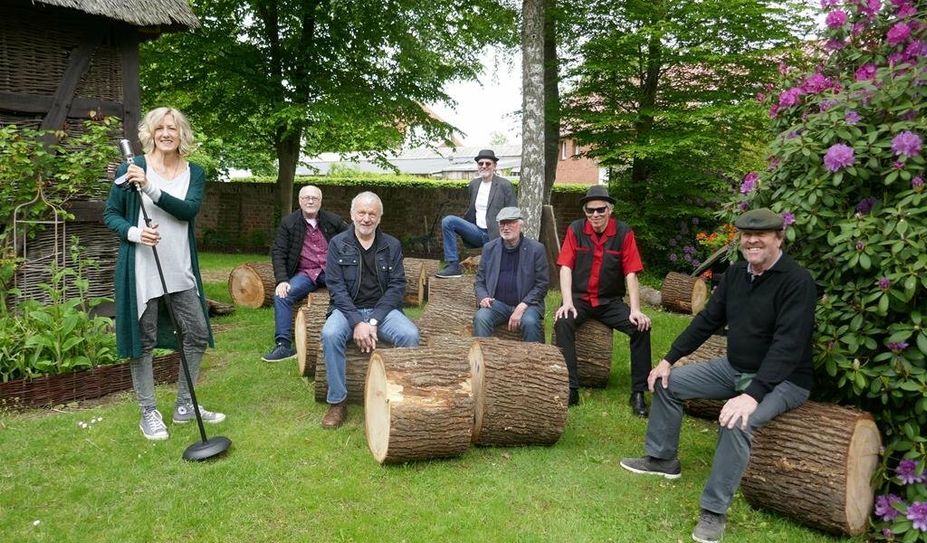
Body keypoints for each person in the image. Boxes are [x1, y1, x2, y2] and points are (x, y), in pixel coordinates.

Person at [620, 208, 816, 543]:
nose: (751, 241)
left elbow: (787, 347)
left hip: (784, 380)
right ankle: (663, 459)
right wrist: (669, 359)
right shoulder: (737, 274)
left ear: (778, 238)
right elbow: (706, 321)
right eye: (745, 235)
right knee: (669, 383)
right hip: (734, 368)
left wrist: (752, 395)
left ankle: (714, 511)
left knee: (737, 421)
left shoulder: (797, 282)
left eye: (761, 235)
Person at [103, 107, 224, 441]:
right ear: (151, 133)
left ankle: (185, 404)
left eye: (173, 128)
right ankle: (148, 412)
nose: (167, 134)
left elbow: (188, 211)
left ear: (181, 133)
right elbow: (111, 214)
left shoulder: (193, 172)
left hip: (179, 267)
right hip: (143, 268)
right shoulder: (133, 167)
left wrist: (151, 190)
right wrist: (134, 233)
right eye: (160, 129)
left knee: (198, 333)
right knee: (143, 342)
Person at [319, 191, 420, 428]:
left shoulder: (391, 245)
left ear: (379, 217)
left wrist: (372, 321)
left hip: (382, 312)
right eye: (361, 213)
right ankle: (337, 402)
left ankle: (400, 395)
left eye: (372, 213)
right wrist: (357, 321)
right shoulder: (338, 244)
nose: (366, 218)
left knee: (410, 335)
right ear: (352, 215)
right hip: (347, 311)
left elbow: (397, 287)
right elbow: (335, 286)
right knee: (330, 334)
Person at [554, 185, 652, 414]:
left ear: (610, 209)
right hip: (579, 299)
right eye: (590, 211)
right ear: (585, 212)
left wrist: (635, 309)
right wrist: (567, 302)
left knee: (641, 328)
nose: (595, 215)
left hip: (609, 302)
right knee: (563, 323)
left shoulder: (624, 233)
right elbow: (565, 266)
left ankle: (638, 393)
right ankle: (571, 388)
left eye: (600, 210)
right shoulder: (575, 229)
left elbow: (631, 272)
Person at [261, 185, 347, 362]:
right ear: (299, 201)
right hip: (307, 273)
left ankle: (350, 334)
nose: (310, 201)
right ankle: (284, 346)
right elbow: (278, 252)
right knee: (282, 296)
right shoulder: (289, 223)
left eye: (314, 198)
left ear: (320, 201)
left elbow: (353, 238)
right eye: (306, 197)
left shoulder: (333, 220)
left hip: (332, 271)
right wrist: (282, 280)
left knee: (349, 293)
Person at [435, 149, 516, 278]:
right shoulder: (474, 184)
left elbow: (513, 213)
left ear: (494, 166)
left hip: (496, 235)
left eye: (488, 164)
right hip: (477, 233)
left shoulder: (505, 185)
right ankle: (453, 266)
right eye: (480, 163)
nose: (484, 166)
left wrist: (509, 239)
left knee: (494, 273)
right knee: (448, 221)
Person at [472, 207, 549, 342]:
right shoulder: (489, 248)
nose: (505, 227)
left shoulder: (536, 249)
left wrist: (522, 306)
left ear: (520, 224)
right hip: (497, 304)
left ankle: (535, 361)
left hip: (527, 304)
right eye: (502, 223)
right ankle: (484, 358)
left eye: (510, 223)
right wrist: (483, 297)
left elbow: (542, 284)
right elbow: (479, 281)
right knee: (481, 317)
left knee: (530, 322)